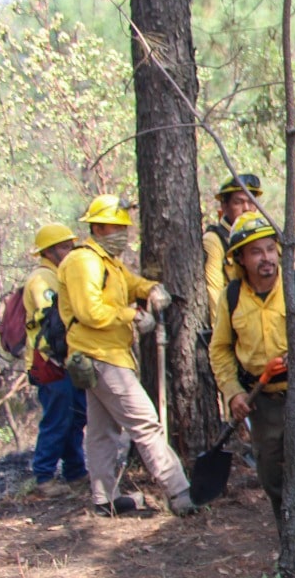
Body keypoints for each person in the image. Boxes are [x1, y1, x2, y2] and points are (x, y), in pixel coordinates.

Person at [211, 214, 295, 573]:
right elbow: (221, 350)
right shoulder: (231, 298)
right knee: (273, 475)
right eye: (256, 252)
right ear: (240, 259)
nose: (266, 258)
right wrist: (232, 392)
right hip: (262, 400)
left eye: (271, 249)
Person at [58, 195, 192, 517]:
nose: (123, 234)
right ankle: (181, 493)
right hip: (100, 356)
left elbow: (131, 283)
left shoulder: (109, 262)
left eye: (124, 228)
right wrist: (130, 316)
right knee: (145, 423)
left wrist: (150, 289)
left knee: (102, 431)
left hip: (108, 355)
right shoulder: (84, 261)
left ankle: (104, 499)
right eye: (116, 227)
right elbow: (89, 311)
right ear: (98, 226)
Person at [24, 223, 87, 495]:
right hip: (49, 362)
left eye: (70, 245)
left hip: (65, 359)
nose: (68, 250)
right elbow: (50, 318)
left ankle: (75, 472)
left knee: (75, 416)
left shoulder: (58, 275)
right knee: (57, 419)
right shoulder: (42, 280)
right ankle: (44, 477)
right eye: (63, 246)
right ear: (48, 251)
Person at [204, 174, 263, 317]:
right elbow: (215, 292)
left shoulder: (264, 236)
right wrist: (221, 334)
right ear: (224, 205)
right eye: (239, 202)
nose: (247, 208)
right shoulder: (214, 240)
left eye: (251, 201)